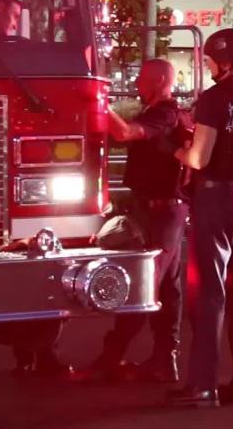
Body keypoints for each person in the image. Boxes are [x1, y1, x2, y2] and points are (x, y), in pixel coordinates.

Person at [167, 28, 233, 408]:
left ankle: (203, 385)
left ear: (223, 60)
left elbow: (199, 158)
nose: (208, 66)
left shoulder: (214, 99)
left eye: (210, 59)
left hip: (218, 198)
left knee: (209, 291)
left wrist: (177, 149)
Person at [87, 58, 189, 383]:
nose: (136, 85)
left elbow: (125, 132)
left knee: (143, 282)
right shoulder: (167, 114)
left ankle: (112, 356)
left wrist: (98, 102)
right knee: (168, 288)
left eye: (142, 79)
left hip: (160, 212)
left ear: (160, 80)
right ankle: (163, 359)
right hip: (164, 211)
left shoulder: (165, 114)